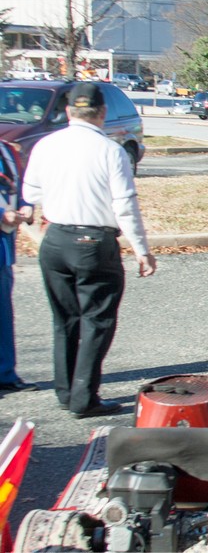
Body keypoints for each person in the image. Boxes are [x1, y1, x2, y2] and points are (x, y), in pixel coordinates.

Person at [22, 83, 157, 417]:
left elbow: (30, 193)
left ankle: (66, 390)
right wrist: (142, 249)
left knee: (64, 319)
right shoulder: (110, 151)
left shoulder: (45, 145)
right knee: (97, 321)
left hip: (54, 239)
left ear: (68, 111)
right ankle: (85, 397)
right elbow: (124, 204)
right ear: (102, 112)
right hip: (94, 243)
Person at [0, 141, 37, 393]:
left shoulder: (7, 149)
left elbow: (19, 186)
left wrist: (27, 204)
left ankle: (5, 373)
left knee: (3, 312)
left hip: (4, 244)